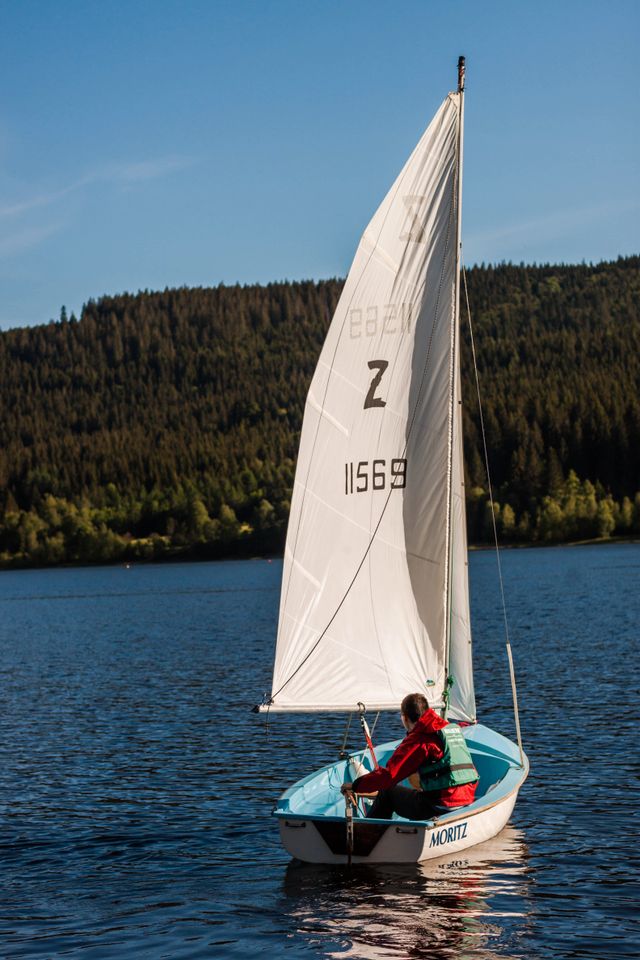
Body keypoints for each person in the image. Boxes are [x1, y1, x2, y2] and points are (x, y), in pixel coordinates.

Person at [341, 693, 479, 820]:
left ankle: (367, 836)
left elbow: (389, 776)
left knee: (387, 792)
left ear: (405, 718)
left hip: (440, 807)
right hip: (467, 800)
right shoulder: (450, 729)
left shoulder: (420, 739)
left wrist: (356, 786)